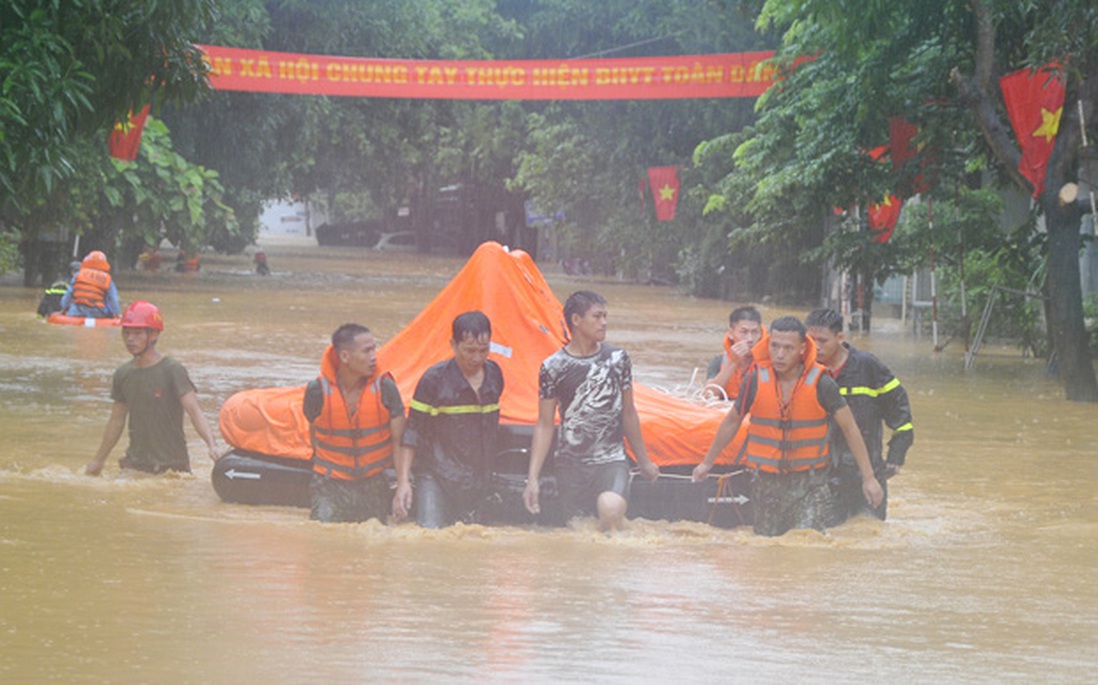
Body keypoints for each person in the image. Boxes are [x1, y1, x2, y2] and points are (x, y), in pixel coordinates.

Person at [692, 316, 883, 537]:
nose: (780, 354)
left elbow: (850, 429)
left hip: (810, 486)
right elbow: (732, 421)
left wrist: (869, 478)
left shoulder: (822, 383)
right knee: (767, 551)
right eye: (775, 346)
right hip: (766, 486)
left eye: (788, 348)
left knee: (804, 547)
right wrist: (706, 463)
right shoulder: (754, 380)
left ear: (802, 348)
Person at [523, 290, 660, 531]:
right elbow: (544, 423)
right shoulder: (553, 367)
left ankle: (623, 530)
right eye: (597, 316)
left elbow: (628, 413)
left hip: (611, 461)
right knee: (579, 531)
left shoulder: (618, 359)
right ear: (576, 320)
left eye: (605, 316)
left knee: (609, 508)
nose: (604, 323)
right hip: (570, 464)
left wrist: (645, 461)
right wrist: (532, 478)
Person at [393, 311, 503, 528]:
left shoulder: (494, 374)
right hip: (436, 476)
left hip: (477, 477)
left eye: (484, 350)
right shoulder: (433, 380)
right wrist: (403, 482)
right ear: (453, 345)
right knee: (430, 537)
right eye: (469, 350)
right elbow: (412, 431)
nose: (477, 358)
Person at [85, 300, 221, 476]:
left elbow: (194, 412)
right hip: (135, 464)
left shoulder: (172, 369)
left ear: (154, 335)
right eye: (126, 333)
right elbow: (116, 421)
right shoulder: (123, 374)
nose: (130, 339)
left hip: (172, 466)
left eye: (137, 334)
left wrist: (211, 444)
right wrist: (98, 460)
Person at [806, 308, 914, 523]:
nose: (816, 347)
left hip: (866, 472)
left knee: (868, 534)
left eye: (823, 340)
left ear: (840, 338)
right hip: (822, 475)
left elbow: (900, 412)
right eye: (810, 340)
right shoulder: (804, 370)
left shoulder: (868, 366)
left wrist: (896, 457)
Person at [303, 323, 405, 523]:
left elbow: (399, 441)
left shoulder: (386, 388)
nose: (374, 356)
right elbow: (314, 433)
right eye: (367, 351)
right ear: (344, 356)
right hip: (330, 484)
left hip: (374, 481)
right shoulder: (316, 391)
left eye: (374, 349)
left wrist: (402, 485)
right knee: (322, 536)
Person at [703, 305, 764, 401]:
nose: (750, 339)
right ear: (731, 334)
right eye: (744, 332)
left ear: (761, 334)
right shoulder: (719, 360)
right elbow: (708, 396)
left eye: (755, 332)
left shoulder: (769, 362)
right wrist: (733, 362)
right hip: (724, 410)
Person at [62, 250, 121, 318]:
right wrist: (116, 313)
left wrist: (64, 308)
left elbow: (68, 295)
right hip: (98, 312)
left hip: (76, 311)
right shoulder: (107, 279)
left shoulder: (78, 275)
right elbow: (113, 299)